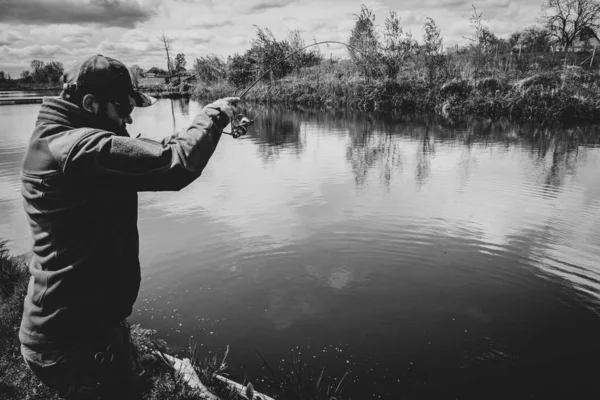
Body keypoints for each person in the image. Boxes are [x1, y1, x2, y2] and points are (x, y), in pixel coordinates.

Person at [19, 54, 244, 399]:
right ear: (91, 104)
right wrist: (212, 116)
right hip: (71, 342)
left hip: (83, 328)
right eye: (122, 110)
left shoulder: (64, 138)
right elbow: (173, 165)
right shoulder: (77, 148)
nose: (127, 119)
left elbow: (136, 155)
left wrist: (178, 137)